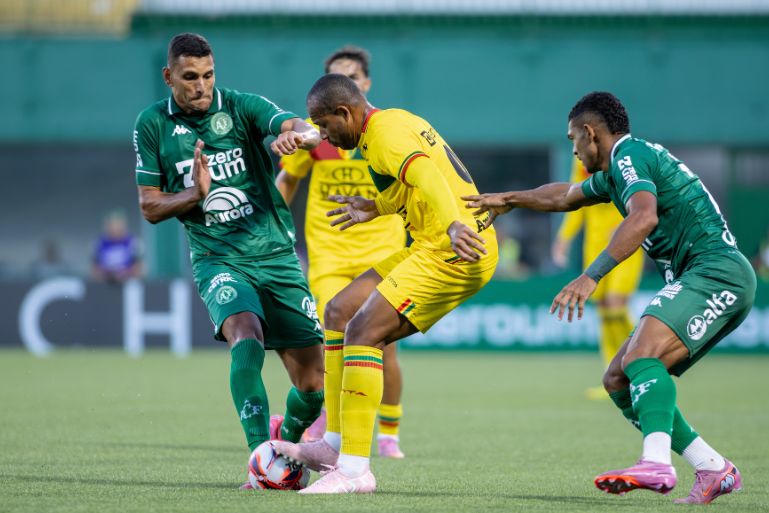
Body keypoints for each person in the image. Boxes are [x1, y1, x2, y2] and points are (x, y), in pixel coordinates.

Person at [464, 91, 755, 504]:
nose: (573, 149)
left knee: (641, 358)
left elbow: (644, 217)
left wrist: (590, 276)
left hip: (716, 272)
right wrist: (509, 199)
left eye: (573, 139)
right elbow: (565, 196)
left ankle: (656, 463)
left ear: (590, 133)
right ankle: (712, 467)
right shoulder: (616, 174)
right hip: (702, 276)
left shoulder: (628, 155)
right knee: (617, 379)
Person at [272, 74, 499, 494]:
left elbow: (428, 175)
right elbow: (413, 185)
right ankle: (333, 444)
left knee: (363, 332)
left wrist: (453, 224)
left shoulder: (384, 136)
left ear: (344, 112)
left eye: (324, 125)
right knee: (338, 311)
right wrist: (376, 206)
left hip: (455, 250)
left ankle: (355, 470)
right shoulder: (389, 123)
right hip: (432, 242)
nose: (323, 135)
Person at [132, 33, 326, 489]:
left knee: (313, 385)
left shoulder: (240, 106)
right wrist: (193, 195)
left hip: (274, 254)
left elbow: (306, 129)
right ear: (169, 76)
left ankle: (284, 442)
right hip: (217, 257)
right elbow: (150, 206)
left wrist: (296, 136)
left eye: (208, 75)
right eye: (190, 77)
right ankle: (260, 456)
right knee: (245, 333)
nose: (201, 85)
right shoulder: (152, 124)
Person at [275, 46, 408, 458]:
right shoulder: (318, 138)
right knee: (329, 339)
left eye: (351, 77)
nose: (344, 84)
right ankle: (332, 426)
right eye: (336, 77)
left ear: (365, 83)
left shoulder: (383, 135)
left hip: (382, 252)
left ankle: (389, 431)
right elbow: (287, 180)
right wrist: (271, 225)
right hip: (329, 255)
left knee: (382, 346)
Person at [551, 158, 643, 399]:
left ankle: (646, 361)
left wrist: (628, 223)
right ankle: (615, 375)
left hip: (624, 243)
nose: (576, 146)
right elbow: (575, 200)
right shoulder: (579, 160)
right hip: (594, 245)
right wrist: (564, 238)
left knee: (615, 304)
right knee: (604, 309)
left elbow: (641, 199)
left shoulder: (621, 158)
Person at [91, 210, 142, 283]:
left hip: (127, 283)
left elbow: (139, 268)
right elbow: (94, 269)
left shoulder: (133, 243)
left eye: (118, 225)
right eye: (112, 225)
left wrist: (125, 274)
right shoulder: (99, 243)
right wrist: (106, 274)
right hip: (105, 283)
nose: (115, 228)